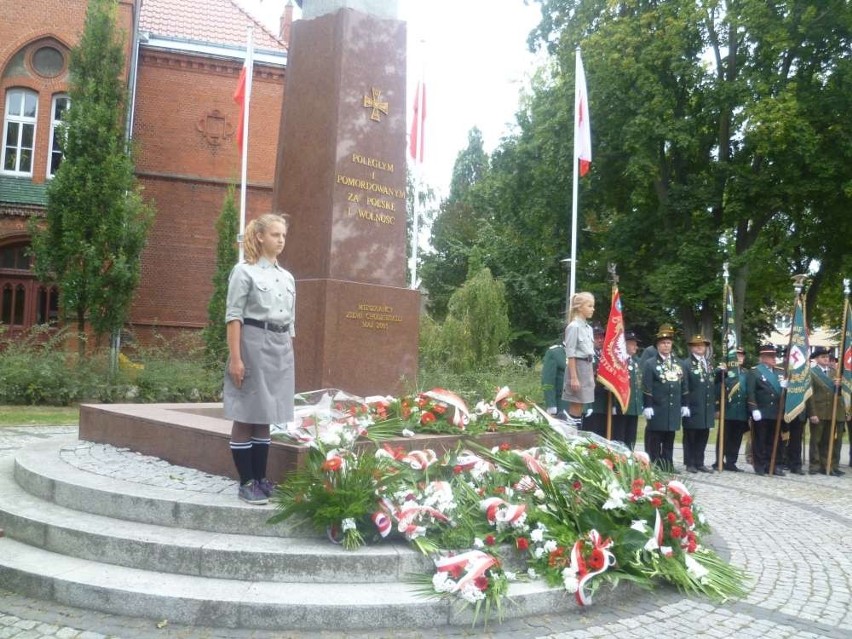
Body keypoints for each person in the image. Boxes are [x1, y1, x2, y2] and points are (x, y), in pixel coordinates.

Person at [223, 213, 296, 505]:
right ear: (260, 237)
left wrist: (288, 355)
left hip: (279, 347)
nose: (281, 240)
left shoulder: (287, 277)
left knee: (266, 415)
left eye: (283, 236)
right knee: (246, 414)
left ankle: (262, 478)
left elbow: (290, 322)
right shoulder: (245, 272)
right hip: (253, 342)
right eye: (275, 235)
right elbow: (233, 317)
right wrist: (236, 358)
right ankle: (247, 481)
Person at [642, 324, 688, 471]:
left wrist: (684, 404)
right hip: (657, 407)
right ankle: (653, 465)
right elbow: (647, 386)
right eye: (663, 343)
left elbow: (683, 385)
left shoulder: (678, 363)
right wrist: (647, 405)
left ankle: (668, 465)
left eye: (668, 343)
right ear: (658, 346)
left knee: (669, 438)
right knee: (654, 438)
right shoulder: (651, 363)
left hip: (673, 407)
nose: (666, 346)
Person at [747, 344, 786, 476]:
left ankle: (773, 465)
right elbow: (751, 392)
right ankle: (760, 465)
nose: (774, 358)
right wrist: (754, 408)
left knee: (775, 440)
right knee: (760, 440)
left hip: (776, 412)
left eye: (775, 356)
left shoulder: (779, 372)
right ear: (763, 357)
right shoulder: (755, 372)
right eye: (771, 356)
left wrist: (785, 388)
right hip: (762, 411)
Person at [806, 346, 844, 476]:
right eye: (823, 357)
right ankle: (814, 465)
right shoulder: (811, 373)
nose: (826, 359)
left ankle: (825, 465)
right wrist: (812, 413)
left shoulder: (835, 373)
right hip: (818, 411)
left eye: (827, 357)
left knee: (828, 441)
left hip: (831, 412)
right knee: (816, 440)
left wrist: (838, 387)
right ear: (816, 359)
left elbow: (838, 395)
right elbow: (809, 395)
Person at [681, 334, 717, 473]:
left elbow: (711, 385)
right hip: (693, 405)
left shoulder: (708, 364)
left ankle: (699, 462)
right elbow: (685, 385)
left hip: (706, 406)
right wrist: (685, 404)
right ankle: (690, 462)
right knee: (691, 435)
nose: (700, 348)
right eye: (697, 345)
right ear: (691, 348)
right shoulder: (686, 364)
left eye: (702, 345)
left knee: (703, 434)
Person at [561, 292, 596, 427]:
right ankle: (572, 432)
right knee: (575, 403)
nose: (593, 309)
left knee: (581, 403)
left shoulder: (588, 328)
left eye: (593, 306)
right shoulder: (573, 327)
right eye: (589, 306)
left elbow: (589, 353)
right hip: (577, 367)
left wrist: (591, 375)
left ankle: (577, 431)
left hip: (586, 367)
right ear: (580, 307)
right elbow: (570, 354)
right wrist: (574, 378)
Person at [714, 347, 749, 471]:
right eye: (736, 356)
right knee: (724, 436)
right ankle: (719, 461)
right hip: (727, 410)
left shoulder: (746, 373)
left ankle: (731, 462)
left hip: (741, 411)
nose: (739, 358)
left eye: (741, 356)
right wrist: (717, 408)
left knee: (736, 438)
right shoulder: (724, 372)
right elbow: (717, 390)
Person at [611, 331, 642, 449]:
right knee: (619, 436)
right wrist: (614, 404)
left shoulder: (636, 362)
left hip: (633, 406)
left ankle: (629, 459)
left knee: (631, 436)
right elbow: (615, 384)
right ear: (625, 344)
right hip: (621, 406)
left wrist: (640, 404)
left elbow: (638, 385)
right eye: (633, 344)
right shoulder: (618, 361)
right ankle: (619, 461)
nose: (636, 347)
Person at [584, 325, 607, 437]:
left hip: (604, 401)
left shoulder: (606, 356)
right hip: (591, 401)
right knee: (591, 434)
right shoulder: (587, 354)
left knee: (603, 433)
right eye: (596, 337)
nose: (600, 340)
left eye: (602, 337)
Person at [541, 339, 568, 416]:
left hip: (579, 404)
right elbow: (547, 380)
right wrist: (551, 404)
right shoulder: (555, 353)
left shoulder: (582, 353)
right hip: (563, 403)